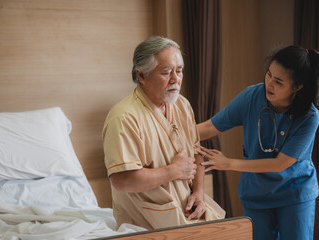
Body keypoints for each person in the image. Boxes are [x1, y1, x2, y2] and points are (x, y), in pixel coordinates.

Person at [102, 36, 225, 230]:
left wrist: (199, 193)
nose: (176, 79)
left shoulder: (182, 105)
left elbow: (196, 154)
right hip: (147, 222)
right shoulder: (124, 117)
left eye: (179, 71)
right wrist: (173, 171)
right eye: (166, 72)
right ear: (141, 75)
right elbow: (122, 181)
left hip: (189, 212)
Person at [198, 46, 319, 240]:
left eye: (278, 82)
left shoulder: (309, 117)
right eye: (269, 74)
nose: (269, 84)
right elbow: (210, 127)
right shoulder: (252, 97)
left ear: (297, 87)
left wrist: (229, 163)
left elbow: (281, 163)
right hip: (257, 192)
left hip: (295, 192)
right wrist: (166, 134)